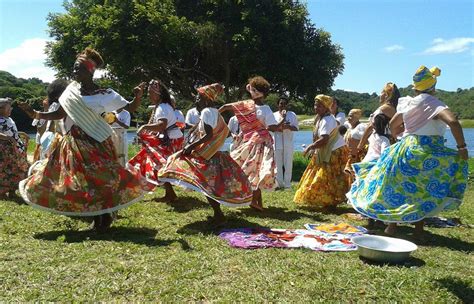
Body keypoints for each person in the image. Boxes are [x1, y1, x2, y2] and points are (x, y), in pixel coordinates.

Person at [18, 48, 147, 231]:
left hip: (98, 142)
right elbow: (59, 113)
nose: (74, 71)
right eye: (73, 68)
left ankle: (104, 216)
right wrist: (35, 114)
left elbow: (130, 108)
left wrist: (138, 96)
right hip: (74, 143)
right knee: (80, 181)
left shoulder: (105, 94)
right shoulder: (70, 91)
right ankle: (98, 217)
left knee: (102, 180)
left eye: (78, 68)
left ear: (90, 70)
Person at [348, 66, 468, 236]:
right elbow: (453, 121)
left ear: (416, 87)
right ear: (433, 86)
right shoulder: (434, 104)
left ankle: (392, 226)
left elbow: (393, 126)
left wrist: (402, 136)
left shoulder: (409, 103)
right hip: (427, 150)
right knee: (423, 188)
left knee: (400, 187)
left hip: (405, 148)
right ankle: (418, 229)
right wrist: (461, 147)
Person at [158, 83, 253, 225]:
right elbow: (224, 133)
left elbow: (208, 135)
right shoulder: (215, 112)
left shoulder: (207, 111)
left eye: (198, 97)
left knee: (207, 186)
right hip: (218, 154)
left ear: (207, 99)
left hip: (211, 157)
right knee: (210, 187)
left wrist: (191, 146)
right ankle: (218, 214)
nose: (196, 100)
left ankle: (219, 215)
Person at [219, 76, 282, 211]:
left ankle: (257, 203)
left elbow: (225, 107)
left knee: (245, 169)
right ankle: (254, 202)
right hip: (261, 144)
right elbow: (272, 127)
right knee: (257, 172)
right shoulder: (265, 109)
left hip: (247, 142)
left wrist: (213, 115)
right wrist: (278, 126)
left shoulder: (244, 105)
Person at [127, 79, 184, 202]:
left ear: (158, 93)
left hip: (171, 140)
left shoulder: (162, 107)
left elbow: (161, 125)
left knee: (161, 165)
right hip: (172, 138)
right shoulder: (163, 106)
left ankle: (171, 193)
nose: (148, 95)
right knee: (159, 165)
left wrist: (144, 127)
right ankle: (170, 193)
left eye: (150, 92)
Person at [294, 95, 349, 208]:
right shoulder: (321, 118)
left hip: (334, 152)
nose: (316, 108)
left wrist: (310, 147)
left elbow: (324, 139)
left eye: (319, 106)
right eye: (315, 105)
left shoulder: (326, 120)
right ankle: (327, 200)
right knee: (327, 177)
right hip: (329, 150)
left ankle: (327, 201)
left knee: (327, 177)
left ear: (326, 107)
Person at [357, 82, 400, 154]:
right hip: (391, 143)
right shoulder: (396, 109)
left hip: (379, 143)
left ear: (386, 95)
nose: (380, 95)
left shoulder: (383, 109)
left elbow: (370, 126)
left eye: (382, 92)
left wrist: (361, 144)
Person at [0, 98, 28, 198]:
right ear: (1, 109)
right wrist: (7, 137)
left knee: (16, 168)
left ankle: (12, 190)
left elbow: (12, 131)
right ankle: (2, 192)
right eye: (9, 108)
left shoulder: (9, 119)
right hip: (5, 150)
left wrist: (18, 136)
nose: (11, 109)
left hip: (15, 149)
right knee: (4, 170)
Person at [273, 97, 299, 189]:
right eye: (281, 103)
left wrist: (288, 127)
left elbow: (296, 128)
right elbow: (272, 128)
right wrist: (281, 123)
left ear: (287, 105)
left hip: (288, 142)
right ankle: (279, 184)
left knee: (288, 164)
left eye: (284, 104)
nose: (282, 105)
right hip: (277, 143)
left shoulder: (292, 115)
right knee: (278, 164)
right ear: (278, 105)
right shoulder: (274, 115)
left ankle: (287, 185)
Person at [343, 109, 367, 181]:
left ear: (357, 117)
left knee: (359, 177)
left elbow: (367, 139)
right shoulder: (349, 128)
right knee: (350, 177)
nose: (348, 118)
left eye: (351, 116)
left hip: (359, 157)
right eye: (348, 116)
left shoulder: (361, 127)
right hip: (351, 156)